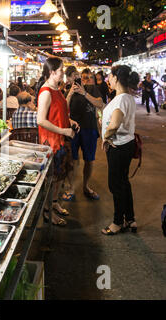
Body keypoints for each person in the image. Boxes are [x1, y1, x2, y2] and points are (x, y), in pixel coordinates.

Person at [36, 57, 78, 226]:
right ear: (52, 72)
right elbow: (41, 120)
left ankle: (54, 204)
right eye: (60, 70)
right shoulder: (46, 91)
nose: (63, 73)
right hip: (51, 143)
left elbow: (59, 113)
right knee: (52, 179)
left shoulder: (57, 89)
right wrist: (63, 130)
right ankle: (47, 212)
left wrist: (70, 121)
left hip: (61, 140)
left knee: (60, 177)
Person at [101, 65, 139, 235]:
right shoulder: (127, 97)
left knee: (115, 185)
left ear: (116, 78)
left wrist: (106, 137)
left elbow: (115, 123)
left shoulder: (122, 98)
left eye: (109, 76)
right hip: (127, 144)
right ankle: (130, 219)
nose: (108, 79)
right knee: (124, 182)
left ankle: (117, 222)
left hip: (118, 147)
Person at [63, 67, 104, 202]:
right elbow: (63, 108)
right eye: (77, 76)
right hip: (73, 130)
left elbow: (100, 104)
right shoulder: (68, 90)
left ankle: (86, 186)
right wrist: (70, 92)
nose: (83, 79)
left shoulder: (92, 89)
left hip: (90, 129)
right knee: (72, 160)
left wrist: (84, 93)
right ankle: (71, 188)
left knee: (89, 160)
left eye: (88, 77)